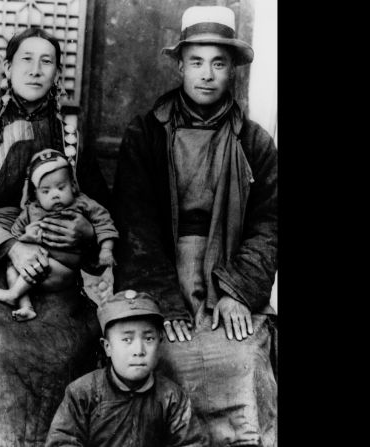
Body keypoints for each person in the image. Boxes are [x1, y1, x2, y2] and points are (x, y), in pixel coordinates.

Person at [112, 6, 278, 446]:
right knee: (157, 355)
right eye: (197, 62)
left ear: (232, 72)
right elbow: (135, 224)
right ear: (180, 65)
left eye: (218, 63)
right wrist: (162, 301)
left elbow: (268, 224)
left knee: (243, 359)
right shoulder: (145, 134)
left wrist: (238, 291)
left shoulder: (254, 141)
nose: (207, 74)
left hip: (225, 270)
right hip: (164, 271)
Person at [0, 27, 111, 446]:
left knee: (68, 346)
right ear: (7, 67)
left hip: (54, 264)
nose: (36, 70)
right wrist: (11, 246)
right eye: (26, 59)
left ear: (57, 73)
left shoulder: (71, 141)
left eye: (47, 62)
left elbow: (102, 211)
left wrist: (87, 233)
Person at [45, 290, 206, 447]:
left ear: (160, 342)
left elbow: (191, 443)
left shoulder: (172, 398)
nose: (139, 350)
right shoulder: (82, 393)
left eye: (149, 338)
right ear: (107, 347)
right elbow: (62, 441)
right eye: (127, 339)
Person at [0, 148, 119, 321]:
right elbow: (15, 234)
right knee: (12, 268)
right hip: (37, 269)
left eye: (61, 187)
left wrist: (106, 250)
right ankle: (25, 306)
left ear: (72, 185)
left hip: (64, 269)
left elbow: (104, 223)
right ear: (35, 193)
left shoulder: (83, 203)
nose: (55, 195)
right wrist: (26, 237)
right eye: (46, 191)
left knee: (42, 264)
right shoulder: (31, 211)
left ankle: (14, 293)